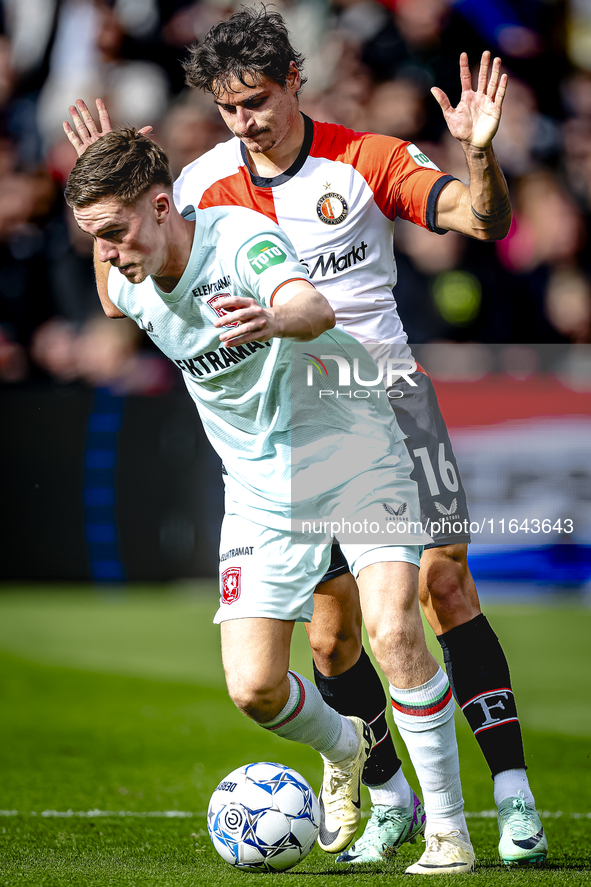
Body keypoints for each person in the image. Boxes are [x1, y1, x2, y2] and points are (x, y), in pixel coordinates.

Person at [62, 9, 547, 868]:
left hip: (380, 392)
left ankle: (511, 801)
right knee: (329, 639)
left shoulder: (365, 160)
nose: (245, 121)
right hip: (284, 417)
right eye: (228, 108)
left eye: (256, 100)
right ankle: (388, 798)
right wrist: (105, 178)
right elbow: (140, 256)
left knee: (439, 589)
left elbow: (485, 223)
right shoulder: (207, 180)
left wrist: (476, 152)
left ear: (294, 79)